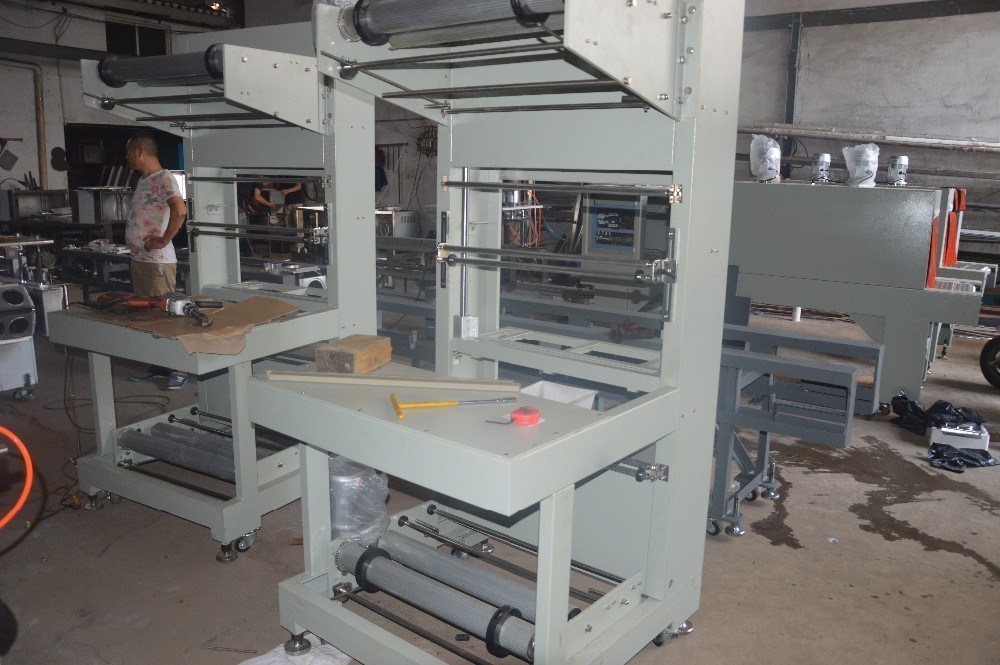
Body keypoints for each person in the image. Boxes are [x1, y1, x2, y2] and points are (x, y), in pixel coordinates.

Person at [123, 131, 190, 390]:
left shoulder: (164, 179)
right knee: (148, 315)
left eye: (129, 152)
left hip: (157, 261)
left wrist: (163, 240)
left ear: (140, 151)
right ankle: (159, 364)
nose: (127, 157)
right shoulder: (143, 180)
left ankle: (180, 368)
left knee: (166, 314)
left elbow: (180, 210)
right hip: (140, 259)